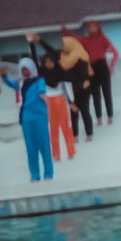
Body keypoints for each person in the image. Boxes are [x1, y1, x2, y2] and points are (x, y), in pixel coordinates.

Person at [27, 33, 78, 161]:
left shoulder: (60, 71)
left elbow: (67, 87)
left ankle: (71, 151)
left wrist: (71, 102)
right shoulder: (42, 72)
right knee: (53, 129)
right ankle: (56, 154)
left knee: (66, 126)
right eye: (47, 62)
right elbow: (34, 59)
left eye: (51, 61)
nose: (49, 64)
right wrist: (31, 43)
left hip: (60, 99)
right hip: (48, 101)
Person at [1, 58, 53, 181]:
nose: (25, 72)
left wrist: (44, 99)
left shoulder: (39, 81)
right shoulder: (20, 83)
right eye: (22, 70)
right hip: (26, 117)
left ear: (32, 69)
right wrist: (3, 76)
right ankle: (34, 175)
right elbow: (9, 83)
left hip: (40, 115)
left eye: (27, 69)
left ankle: (48, 174)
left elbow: (43, 92)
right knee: (30, 146)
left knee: (44, 144)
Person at [64, 21, 118, 126]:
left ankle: (110, 116)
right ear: (87, 29)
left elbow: (115, 52)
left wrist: (111, 66)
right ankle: (99, 118)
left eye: (94, 27)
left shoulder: (103, 39)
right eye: (90, 27)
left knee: (107, 92)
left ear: (98, 28)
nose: (92, 29)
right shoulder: (85, 40)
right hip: (91, 68)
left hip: (103, 67)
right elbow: (74, 38)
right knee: (95, 94)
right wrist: (64, 30)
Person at [59, 35, 95, 143]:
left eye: (64, 45)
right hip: (71, 90)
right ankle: (75, 135)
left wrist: (82, 85)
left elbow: (85, 76)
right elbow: (65, 77)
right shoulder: (64, 59)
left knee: (84, 111)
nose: (63, 47)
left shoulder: (80, 56)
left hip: (82, 89)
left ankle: (89, 133)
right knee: (73, 113)